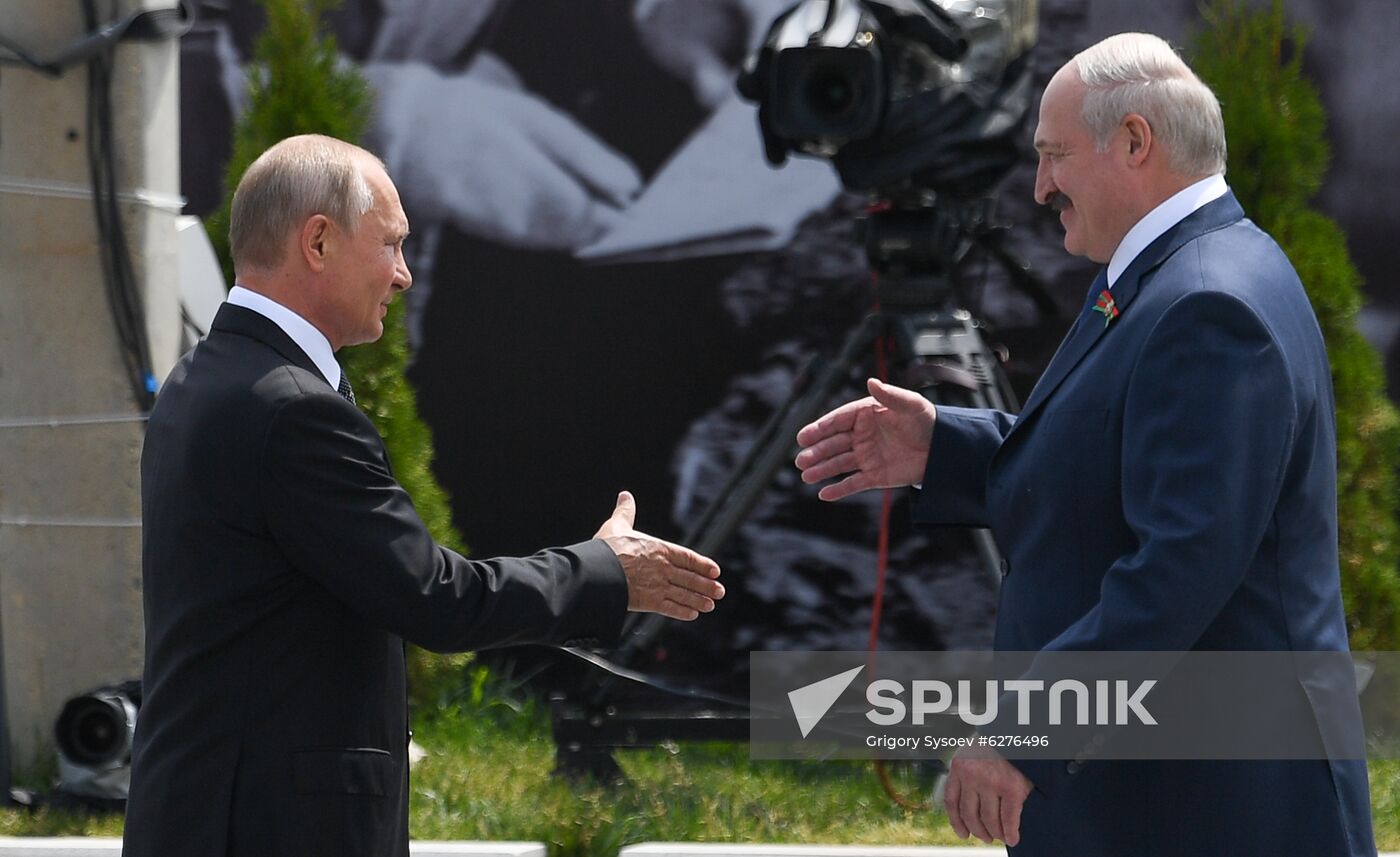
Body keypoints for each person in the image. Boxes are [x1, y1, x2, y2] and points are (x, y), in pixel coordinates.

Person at [794, 33, 1374, 856]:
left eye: (1053, 155)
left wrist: (1022, 729)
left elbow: (1176, 570)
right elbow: (1113, 458)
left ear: (1135, 141)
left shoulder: (1207, 304)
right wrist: (943, 448)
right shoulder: (1177, 272)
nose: (1038, 188)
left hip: (1212, 810)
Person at [122, 134, 725, 857]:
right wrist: (604, 570)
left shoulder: (203, 378)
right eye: (391, 244)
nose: (403, 274)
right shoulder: (289, 409)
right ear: (318, 242)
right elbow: (438, 599)